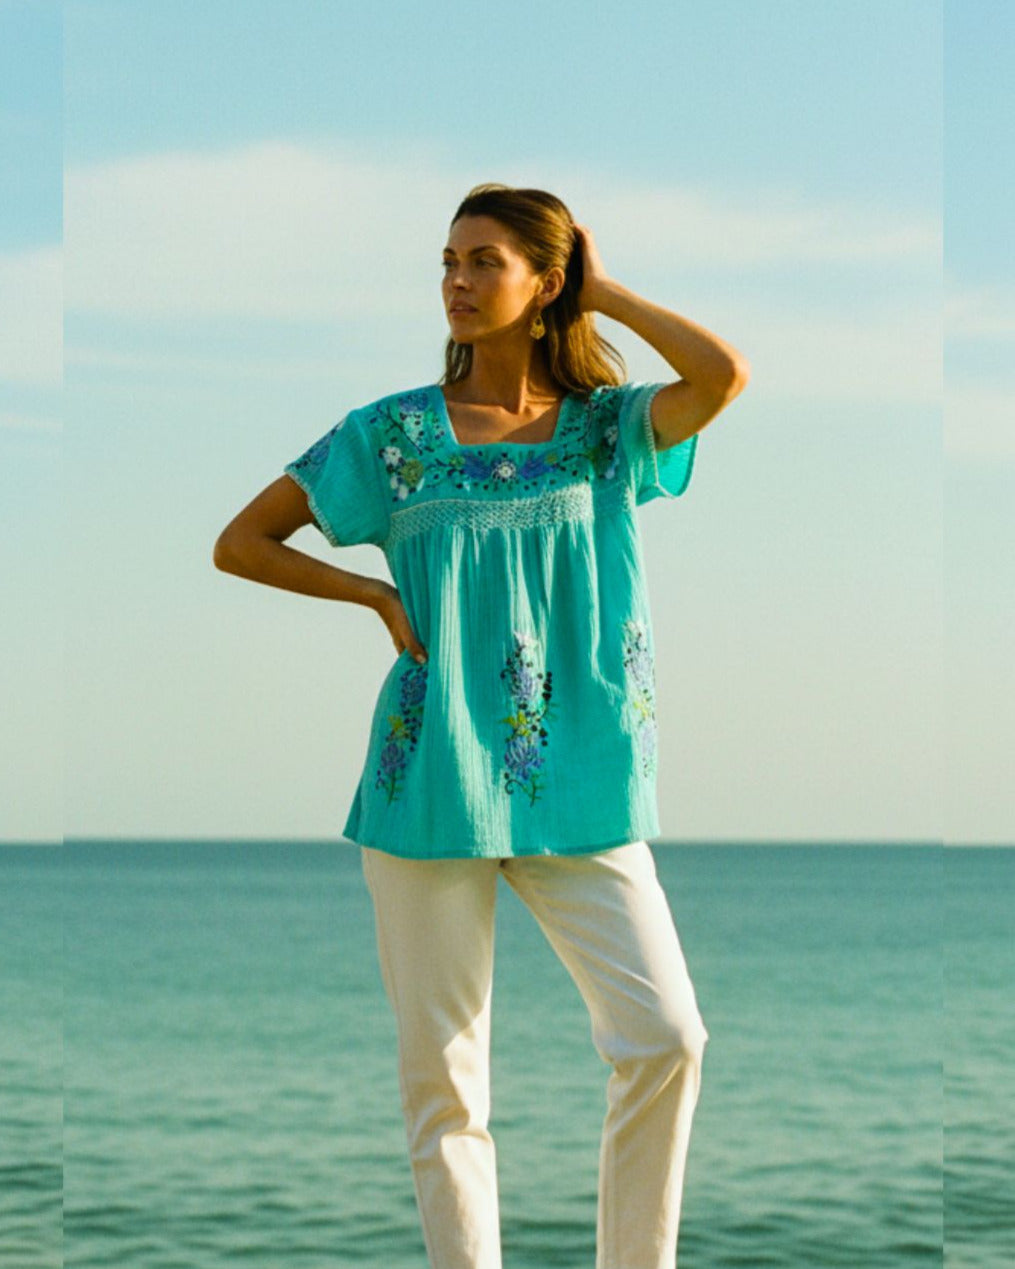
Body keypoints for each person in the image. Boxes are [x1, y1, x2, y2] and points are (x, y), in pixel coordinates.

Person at [214, 183, 749, 1269]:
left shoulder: (609, 433)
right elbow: (241, 541)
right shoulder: (392, 436)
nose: (455, 282)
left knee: (666, 1039)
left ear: (546, 283)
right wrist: (366, 595)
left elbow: (722, 377)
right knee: (446, 1085)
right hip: (429, 781)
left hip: (586, 773)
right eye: (447, 262)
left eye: (484, 262)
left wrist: (608, 293)